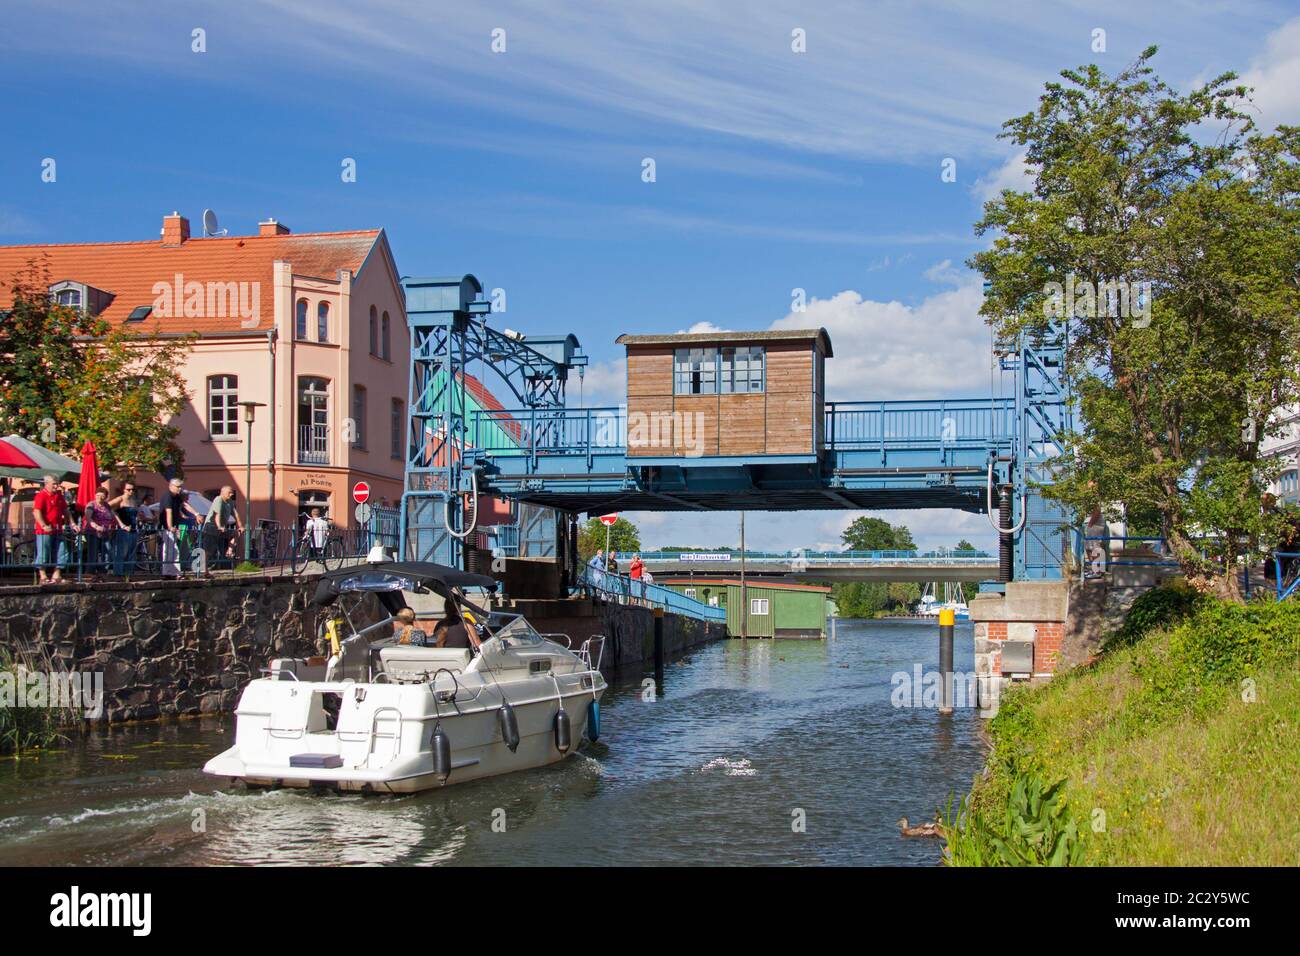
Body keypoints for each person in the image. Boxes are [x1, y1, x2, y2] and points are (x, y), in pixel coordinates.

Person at [33, 475, 73, 584]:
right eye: (54, 484)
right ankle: (43, 576)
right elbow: (37, 512)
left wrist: (72, 523)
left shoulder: (59, 496)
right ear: (47, 484)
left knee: (63, 551)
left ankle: (56, 575)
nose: (56, 486)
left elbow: (65, 510)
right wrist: (43, 525)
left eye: (57, 483)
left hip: (57, 528)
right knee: (43, 552)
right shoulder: (41, 496)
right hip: (44, 530)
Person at [159, 478, 200, 577]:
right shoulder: (167, 496)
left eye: (181, 487)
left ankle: (168, 573)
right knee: (172, 550)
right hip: (166, 527)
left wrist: (196, 513)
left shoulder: (177, 497)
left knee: (170, 550)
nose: (180, 489)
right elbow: (168, 512)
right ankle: (174, 573)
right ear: (171, 486)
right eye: (178, 487)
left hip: (174, 527)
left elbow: (184, 505)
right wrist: (170, 527)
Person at [202, 486, 243, 570]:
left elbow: (236, 514)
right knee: (209, 551)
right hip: (211, 526)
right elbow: (217, 514)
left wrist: (241, 526)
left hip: (221, 527)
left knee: (236, 533)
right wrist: (219, 526)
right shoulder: (218, 499)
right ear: (223, 492)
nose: (231, 494)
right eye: (229, 493)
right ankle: (204, 570)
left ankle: (229, 551)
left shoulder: (230, 502)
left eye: (232, 493)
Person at [108, 480, 141, 576]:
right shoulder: (120, 499)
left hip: (133, 529)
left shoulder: (133, 501)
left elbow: (135, 514)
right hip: (123, 530)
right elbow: (108, 507)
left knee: (131, 553)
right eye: (128, 489)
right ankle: (118, 574)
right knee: (122, 552)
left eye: (133, 490)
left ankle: (128, 574)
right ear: (123, 489)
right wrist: (121, 524)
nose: (131, 491)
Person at [82, 488, 117, 577]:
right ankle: (90, 573)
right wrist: (96, 527)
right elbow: (88, 517)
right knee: (93, 553)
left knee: (108, 552)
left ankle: (103, 572)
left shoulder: (107, 505)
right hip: (93, 532)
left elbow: (113, 516)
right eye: (98, 495)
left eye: (102, 495)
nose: (100, 497)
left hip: (105, 532)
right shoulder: (91, 504)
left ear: (106, 496)